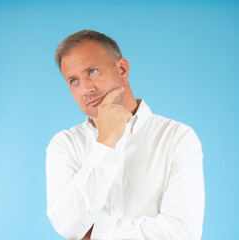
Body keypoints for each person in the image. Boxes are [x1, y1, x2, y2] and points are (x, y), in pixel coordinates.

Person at [46, 30, 205, 240]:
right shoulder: (65, 145)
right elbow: (68, 227)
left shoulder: (177, 137)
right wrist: (106, 141)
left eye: (92, 72)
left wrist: (95, 234)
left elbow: (183, 233)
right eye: (73, 81)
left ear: (122, 69)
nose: (85, 89)